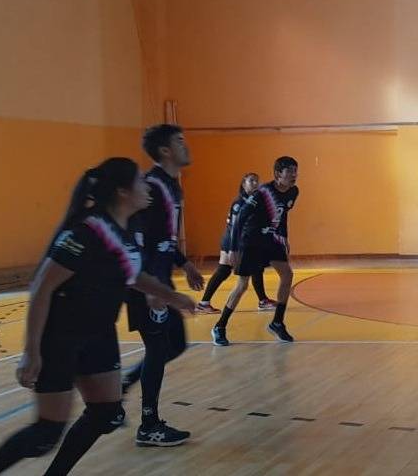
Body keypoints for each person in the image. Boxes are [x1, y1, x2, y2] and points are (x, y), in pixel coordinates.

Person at [0, 158, 195, 475]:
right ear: (123, 192)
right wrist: (31, 351)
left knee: (105, 413)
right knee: (46, 434)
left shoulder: (127, 229)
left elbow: (133, 275)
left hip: (99, 334)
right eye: (140, 182)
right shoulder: (86, 231)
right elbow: (42, 287)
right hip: (61, 337)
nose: (147, 187)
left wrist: (173, 296)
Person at [121, 124, 204, 446]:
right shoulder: (151, 187)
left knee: (175, 344)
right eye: (180, 141)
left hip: (159, 279)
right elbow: (137, 239)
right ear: (165, 150)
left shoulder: (170, 186)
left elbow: (162, 237)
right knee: (157, 348)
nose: (187, 145)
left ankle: (124, 383)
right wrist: (152, 290)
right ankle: (149, 425)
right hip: (146, 282)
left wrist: (184, 262)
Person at [212, 156, 300, 346]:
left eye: (296, 171)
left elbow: (283, 216)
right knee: (242, 285)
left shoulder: (293, 192)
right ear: (277, 174)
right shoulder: (263, 192)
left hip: (272, 240)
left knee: (287, 274)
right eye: (290, 171)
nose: (294, 175)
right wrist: (233, 248)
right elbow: (240, 218)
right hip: (251, 241)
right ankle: (219, 326)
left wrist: (284, 238)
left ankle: (277, 322)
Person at [195, 172, 277, 314]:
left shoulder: (253, 201)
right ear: (243, 184)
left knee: (256, 267)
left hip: (246, 241)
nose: (255, 183)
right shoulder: (240, 203)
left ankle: (263, 300)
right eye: (251, 181)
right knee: (224, 270)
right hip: (232, 241)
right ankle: (203, 303)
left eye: (257, 181)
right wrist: (232, 248)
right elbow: (234, 227)